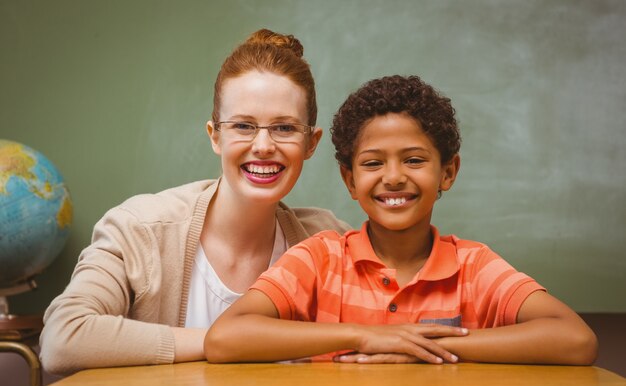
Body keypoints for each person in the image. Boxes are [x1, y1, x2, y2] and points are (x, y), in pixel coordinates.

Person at [204, 75, 598, 365]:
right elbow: (225, 338)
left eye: (414, 159)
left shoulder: (473, 267)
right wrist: (366, 337)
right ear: (350, 180)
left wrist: (420, 347)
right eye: (373, 163)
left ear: (448, 172)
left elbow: (575, 340)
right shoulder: (320, 259)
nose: (393, 177)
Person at [39, 28, 351, 375]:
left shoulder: (332, 242)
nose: (263, 145)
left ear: (311, 142)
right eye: (243, 126)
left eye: (284, 128)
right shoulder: (138, 230)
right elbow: (62, 339)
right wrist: (226, 341)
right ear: (215, 136)